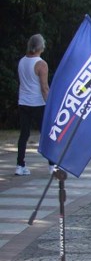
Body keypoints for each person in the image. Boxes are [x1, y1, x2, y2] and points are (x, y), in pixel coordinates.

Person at [16, 34, 50, 176]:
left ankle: (20, 165)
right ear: (41, 47)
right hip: (38, 103)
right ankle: (52, 165)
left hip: (23, 102)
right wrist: (49, 104)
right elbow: (44, 87)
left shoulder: (22, 61)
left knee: (24, 135)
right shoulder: (41, 64)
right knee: (46, 134)